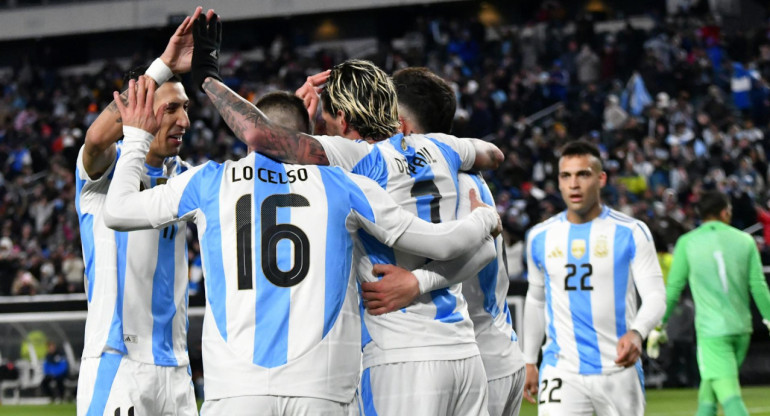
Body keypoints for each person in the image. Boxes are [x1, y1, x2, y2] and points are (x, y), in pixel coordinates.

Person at [102, 76, 501, 415]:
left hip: (235, 388)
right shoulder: (344, 186)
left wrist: (136, 137)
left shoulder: (208, 182)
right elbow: (444, 243)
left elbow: (117, 210)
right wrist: (484, 217)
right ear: (302, 137)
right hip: (323, 385)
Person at [191, 19, 503, 415]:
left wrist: (208, 76)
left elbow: (261, 139)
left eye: (326, 118)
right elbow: (494, 156)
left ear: (342, 117)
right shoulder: (444, 148)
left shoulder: (354, 157)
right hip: (462, 352)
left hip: (398, 355)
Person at [361, 67, 526, 416]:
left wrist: (418, 282)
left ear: (400, 123)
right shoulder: (459, 174)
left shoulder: (457, 181)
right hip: (487, 352)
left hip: (476, 354)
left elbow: (479, 252)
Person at [74, 8, 213, 415]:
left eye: (185, 108)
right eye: (171, 109)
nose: (185, 120)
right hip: (118, 364)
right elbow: (96, 138)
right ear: (138, 107)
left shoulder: (184, 177)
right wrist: (163, 66)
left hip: (176, 370)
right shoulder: (105, 172)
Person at [522, 140, 666, 415]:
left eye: (583, 174)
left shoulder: (632, 232)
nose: (573, 184)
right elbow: (536, 300)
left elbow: (656, 296)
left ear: (601, 179)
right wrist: (529, 360)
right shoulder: (540, 237)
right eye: (566, 176)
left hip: (619, 371)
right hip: (561, 370)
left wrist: (638, 333)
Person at [649, 190, 770, 416]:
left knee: (730, 396)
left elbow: (674, 289)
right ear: (725, 212)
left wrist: (659, 325)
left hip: (712, 333)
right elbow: (758, 285)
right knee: (708, 394)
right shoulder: (745, 241)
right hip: (742, 329)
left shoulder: (687, 242)